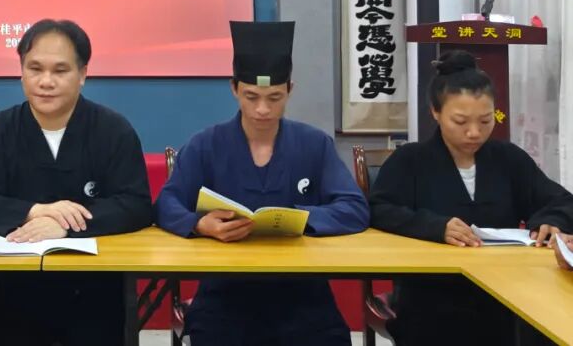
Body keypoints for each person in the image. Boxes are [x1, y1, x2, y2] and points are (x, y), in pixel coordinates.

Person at [155, 21, 369, 346]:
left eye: (275, 97)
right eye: (251, 96)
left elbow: (354, 208)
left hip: (303, 292)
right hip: (224, 292)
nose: (263, 110)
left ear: (290, 90)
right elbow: (167, 204)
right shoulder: (206, 144)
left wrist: (302, 219)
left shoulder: (314, 144)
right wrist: (199, 224)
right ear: (234, 88)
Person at [0, 18, 153, 346]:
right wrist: (33, 211)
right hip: (12, 294)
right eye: (35, 69)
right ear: (21, 72)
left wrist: (65, 225)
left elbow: (136, 204)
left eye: (60, 70)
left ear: (83, 74)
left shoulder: (113, 131)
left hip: (94, 294)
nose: (46, 82)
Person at [369, 50, 573, 345]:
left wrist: (551, 221)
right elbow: (378, 209)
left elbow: (561, 201)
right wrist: (435, 227)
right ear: (435, 112)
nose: (474, 132)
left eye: (485, 121)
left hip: (506, 290)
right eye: (461, 121)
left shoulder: (508, 159)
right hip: (433, 294)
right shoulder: (410, 160)